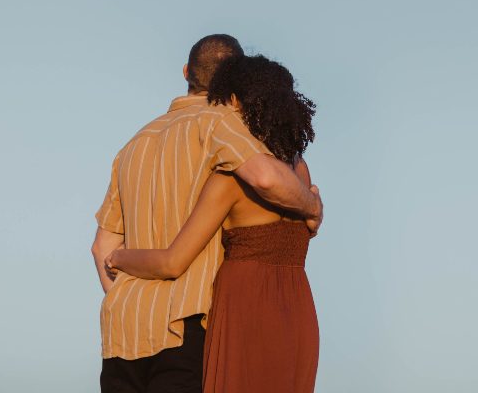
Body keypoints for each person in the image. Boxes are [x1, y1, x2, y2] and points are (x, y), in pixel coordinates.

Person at [91, 35, 323, 393]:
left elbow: (101, 247)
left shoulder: (133, 145)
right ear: (235, 83)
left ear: (186, 72)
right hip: (191, 323)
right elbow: (265, 176)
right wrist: (311, 206)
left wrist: (128, 298)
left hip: (125, 331)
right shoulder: (223, 125)